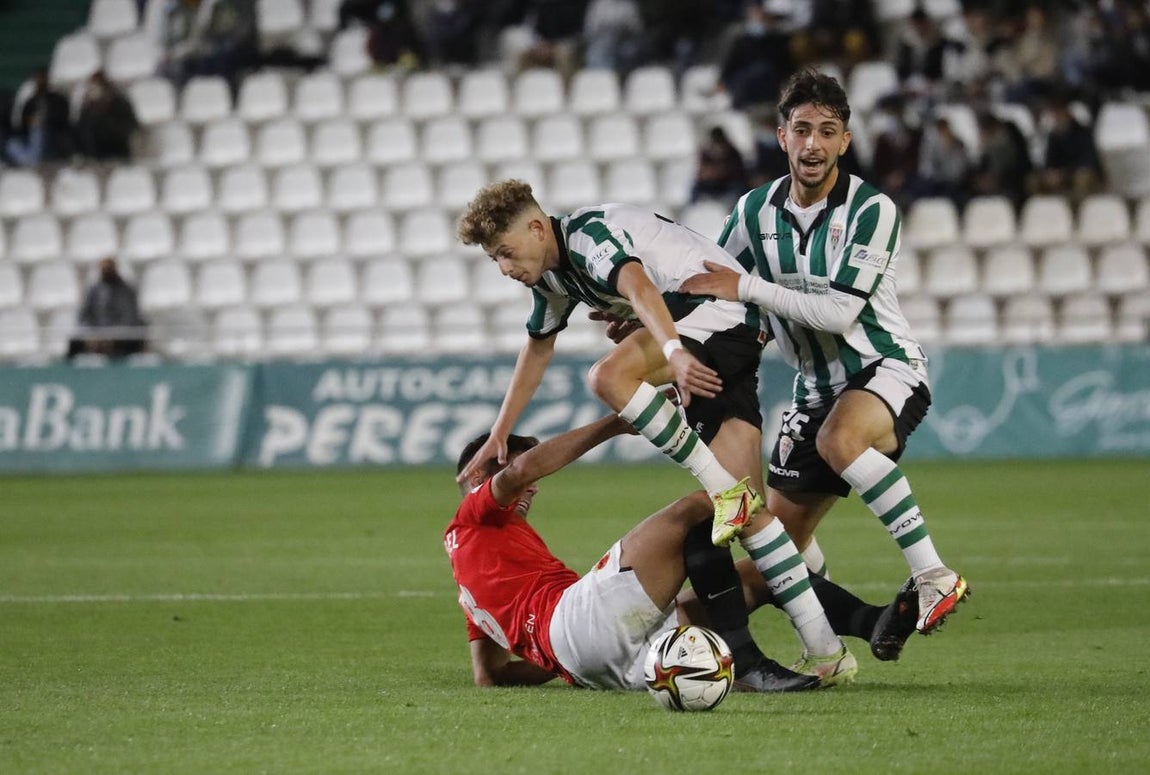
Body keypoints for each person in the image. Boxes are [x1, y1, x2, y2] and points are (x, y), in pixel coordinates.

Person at [456, 180, 860, 683]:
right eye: (495, 259)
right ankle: (826, 648)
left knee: (608, 377)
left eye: (505, 253)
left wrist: (671, 352)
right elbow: (537, 347)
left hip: (717, 308)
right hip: (722, 329)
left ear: (537, 229)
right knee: (752, 512)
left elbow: (641, 289)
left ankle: (720, 488)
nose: (504, 268)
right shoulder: (553, 280)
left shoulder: (588, 236)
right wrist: (501, 430)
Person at [681, 69, 970, 637]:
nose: (813, 144)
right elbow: (704, 279)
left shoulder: (871, 209)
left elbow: (840, 312)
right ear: (782, 135)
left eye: (827, 131)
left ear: (846, 140)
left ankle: (933, 574)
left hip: (884, 366)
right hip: (813, 391)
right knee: (777, 552)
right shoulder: (751, 212)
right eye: (802, 129)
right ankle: (853, 629)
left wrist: (747, 289)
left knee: (839, 440)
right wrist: (641, 319)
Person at [67, 257, 148, 360]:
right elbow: (84, 315)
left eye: (108, 269)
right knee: (75, 342)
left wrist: (112, 336)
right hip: (97, 334)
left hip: (120, 336)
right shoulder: (94, 290)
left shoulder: (126, 290)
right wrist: (93, 335)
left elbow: (130, 318)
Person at [73, 71, 140, 162]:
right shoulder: (88, 108)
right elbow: (81, 130)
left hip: (117, 152)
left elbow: (130, 125)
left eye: (98, 86)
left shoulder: (119, 103)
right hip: (94, 155)